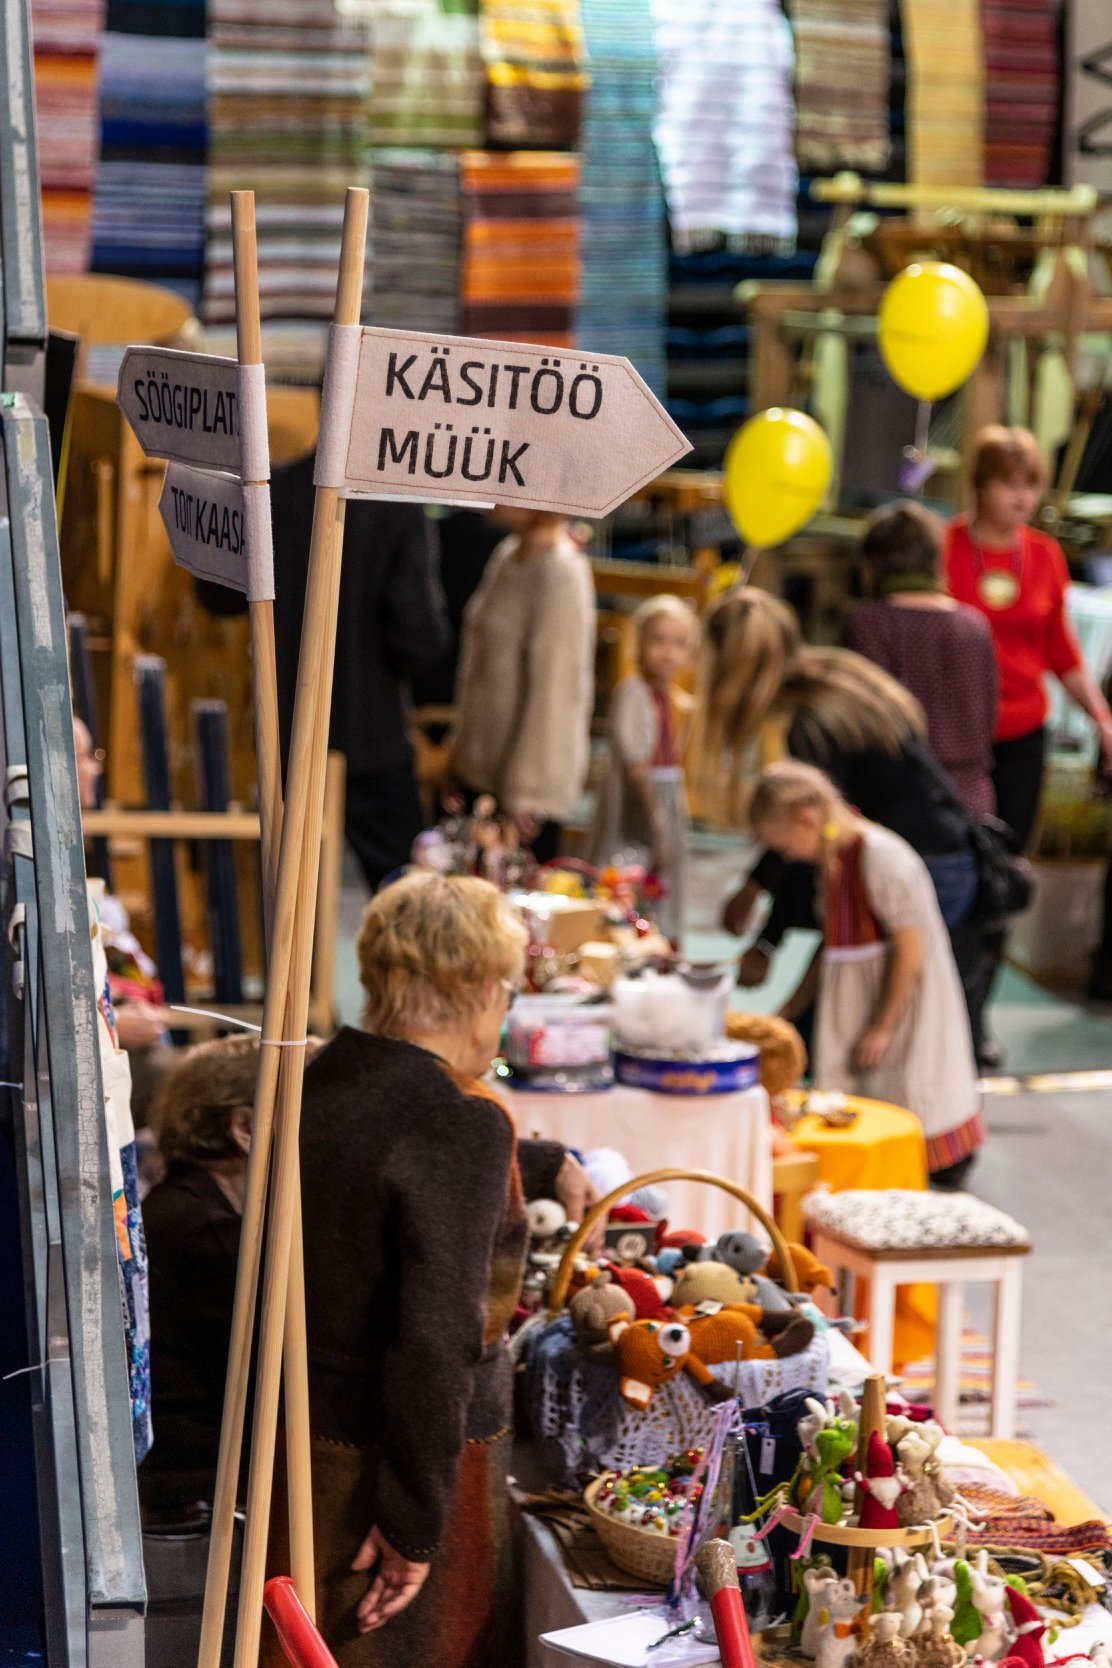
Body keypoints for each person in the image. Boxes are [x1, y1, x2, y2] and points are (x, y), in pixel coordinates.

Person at [259, 872, 598, 1667]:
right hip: (386, 1463)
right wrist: (415, 1523)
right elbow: (437, 1339)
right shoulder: (461, 1121)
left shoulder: (325, 1075)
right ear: (483, 987)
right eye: (509, 993)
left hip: (304, 1439)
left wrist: (536, 1163)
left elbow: (379, 1162)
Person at [703, 588, 981, 1029]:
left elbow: (812, 837)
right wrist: (756, 887)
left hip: (919, 866)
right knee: (837, 1011)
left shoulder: (812, 723)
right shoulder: (837, 676)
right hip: (948, 855)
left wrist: (767, 940)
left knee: (840, 1019)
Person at [195, 455, 451, 891]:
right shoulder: (396, 504)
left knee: (289, 901)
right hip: (371, 738)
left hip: (286, 735)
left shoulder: (272, 492)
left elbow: (216, 596)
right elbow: (420, 640)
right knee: (407, 898)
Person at [944, 425, 1112, 1062]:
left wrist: (1099, 716)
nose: (1018, 497)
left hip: (1022, 735)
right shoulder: (948, 546)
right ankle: (945, 1010)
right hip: (958, 739)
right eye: (1006, 483)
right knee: (953, 870)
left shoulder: (1042, 555)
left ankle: (977, 1015)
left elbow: (1060, 648)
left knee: (1004, 875)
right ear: (981, 486)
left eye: (1028, 484)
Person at [749, 761, 983, 1187]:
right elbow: (832, 949)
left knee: (911, 1092)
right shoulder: (833, 864)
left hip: (899, 1006)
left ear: (806, 819)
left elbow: (910, 951)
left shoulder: (881, 856)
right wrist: (788, 1009)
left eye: (784, 846)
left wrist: (882, 1025)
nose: (786, 857)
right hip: (859, 1000)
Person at [139, 1034, 278, 1517]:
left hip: (189, 1478)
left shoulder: (180, 1204)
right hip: (200, 1495)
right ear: (244, 1128)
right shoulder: (208, 1232)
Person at [449, 509, 596, 866]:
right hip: (484, 769)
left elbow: (556, 690)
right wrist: (459, 755)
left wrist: (527, 789)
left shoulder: (561, 570)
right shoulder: (509, 553)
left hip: (524, 787)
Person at [849, 501, 997, 819]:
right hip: (971, 804)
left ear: (873, 561)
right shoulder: (974, 625)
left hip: (898, 803)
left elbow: (864, 724)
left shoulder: (870, 624)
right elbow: (988, 718)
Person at [587, 594, 697, 944]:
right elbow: (636, 763)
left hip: (667, 793)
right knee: (628, 872)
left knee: (664, 877)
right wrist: (655, 817)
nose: (668, 652)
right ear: (641, 643)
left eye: (678, 643)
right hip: (639, 802)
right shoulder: (632, 693)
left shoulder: (671, 696)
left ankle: (660, 939)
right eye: (658, 641)